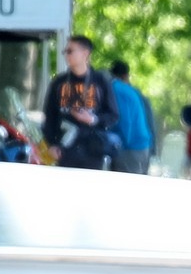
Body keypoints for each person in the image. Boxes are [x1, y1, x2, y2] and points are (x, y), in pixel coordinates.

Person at [40, 35, 119, 170]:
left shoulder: (100, 81)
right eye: (65, 51)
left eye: (70, 51)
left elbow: (113, 115)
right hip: (65, 149)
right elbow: (50, 116)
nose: (66, 55)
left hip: (93, 150)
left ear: (85, 53)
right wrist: (51, 144)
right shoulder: (59, 82)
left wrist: (93, 119)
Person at [108, 59, 157, 174]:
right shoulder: (132, 91)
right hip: (142, 146)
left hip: (130, 149)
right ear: (127, 75)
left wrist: (119, 146)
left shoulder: (115, 89)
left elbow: (124, 121)